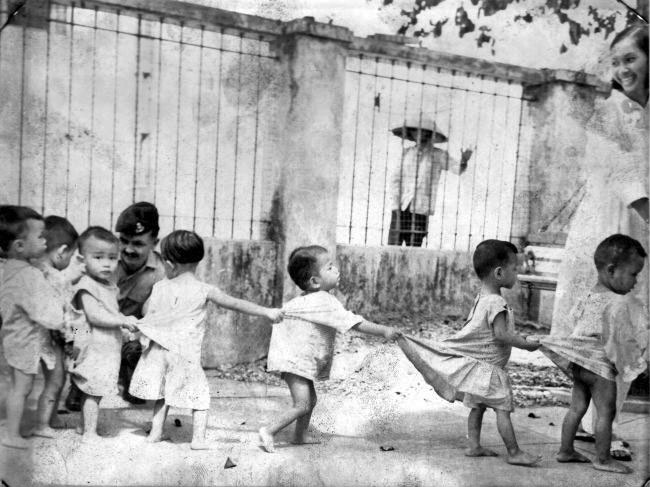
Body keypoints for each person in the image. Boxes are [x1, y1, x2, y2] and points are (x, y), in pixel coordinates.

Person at [551, 23, 648, 461]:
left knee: (632, 321)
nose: (623, 68)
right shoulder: (610, 112)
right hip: (611, 224)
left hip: (639, 227)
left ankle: (597, 421)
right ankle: (591, 421)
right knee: (603, 317)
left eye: (632, 58)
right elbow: (618, 169)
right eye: (617, 61)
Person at [128, 230, 283, 449]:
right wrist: (266, 311)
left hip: (159, 351)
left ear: (170, 264)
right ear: (198, 259)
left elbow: (149, 314)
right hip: (184, 354)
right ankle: (198, 440)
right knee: (200, 397)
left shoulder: (159, 287)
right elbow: (235, 303)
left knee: (162, 394)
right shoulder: (204, 289)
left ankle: (155, 433)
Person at [398, 240, 542, 466]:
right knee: (503, 409)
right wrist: (526, 344)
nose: (518, 273)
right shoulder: (496, 302)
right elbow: (502, 335)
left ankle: (474, 445)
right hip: (490, 371)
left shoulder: (481, 299)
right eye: (515, 269)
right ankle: (514, 453)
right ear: (499, 272)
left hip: (478, 371)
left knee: (477, 406)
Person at [259, 245, 400, 453]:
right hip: (294, 362)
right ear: (315, 281)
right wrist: (384, 331)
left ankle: (299, 436)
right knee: (302, 404)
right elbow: (354, 323)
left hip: (296, 360)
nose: (337, 270)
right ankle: (269, 431)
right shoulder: (324, 301)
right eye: (330, 267)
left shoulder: (307, 300)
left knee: (310, 400)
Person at [538, 234, 647, 474]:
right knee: (606, 412)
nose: (636, 282)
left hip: (579, 361)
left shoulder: (589, 295)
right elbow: (621, 340)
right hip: (600, 366)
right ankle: (603, 459)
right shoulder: (618, 302)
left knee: (577, 407)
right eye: (633, 274)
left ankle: (565, 450)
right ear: (611, 270)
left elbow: (576, 320)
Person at [66, 202, 166, 409]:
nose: (128, 249)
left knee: (144, 342)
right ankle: (78, 385)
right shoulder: (102, 259)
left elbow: (154, 313)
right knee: (79, 337)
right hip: (87, 326)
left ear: (154, 243)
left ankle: (131, 380)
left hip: (124, 331)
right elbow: (74, 303)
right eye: (124, 241)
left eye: (138, 243)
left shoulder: (160, 272)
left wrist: (143, 331)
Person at [0, 206, 64, 449]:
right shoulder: (29, 276)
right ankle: (12, 434)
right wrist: (61, 320)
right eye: (40, 236)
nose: (45, 240)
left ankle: (42, 423)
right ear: (19, 246)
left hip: (27, 335)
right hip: (26, 338)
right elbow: (43, 312)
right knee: (22, 387)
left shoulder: (15, 269)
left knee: (41, 380)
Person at [68, 227, 138, 441]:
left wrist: (122, 329)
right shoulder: (86, 285)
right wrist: (123, 320)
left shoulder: (108, 285)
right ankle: (89, 432)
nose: (107, 263)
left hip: (106, 347)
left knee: (95, 390)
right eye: (98, 257)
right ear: (82, 259)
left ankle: (83, 427)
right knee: (93, 392)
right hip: (93, 348)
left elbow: (110, 313)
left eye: (112, 258)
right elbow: (96, 316)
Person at [31, 215, 82, 437]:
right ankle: (42, 423)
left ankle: (51, 416)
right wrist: (82, 334)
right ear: (62, 251)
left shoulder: (32, 272)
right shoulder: (57, 278)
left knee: (49, 380)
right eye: (71, 256)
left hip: (35, 336)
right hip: (51, 339)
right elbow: (67, 315)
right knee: (56, 380)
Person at [388, 115, 472, 246]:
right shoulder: (406, 153)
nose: (419, 135)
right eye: (415, 131)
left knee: (414, 247)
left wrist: (464, 161)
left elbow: (457, 169)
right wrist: (396, 202)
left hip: (421, 208)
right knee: (393, 246)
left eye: (423, 132)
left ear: (429, 134)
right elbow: (395, 179)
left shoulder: (438, 155)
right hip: (401, 206)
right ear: (411, 133)